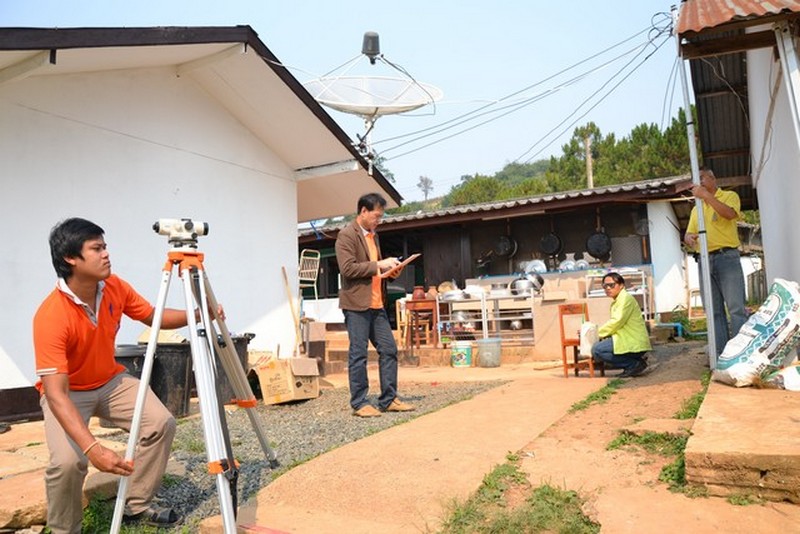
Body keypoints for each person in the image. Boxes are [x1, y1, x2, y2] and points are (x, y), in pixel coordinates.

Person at [33, 218, 219, 532]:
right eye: (96, 249)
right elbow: (55, 394)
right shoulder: (51, 315)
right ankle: (65, 529)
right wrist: (93, 449)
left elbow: (152, 315)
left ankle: (137, 504)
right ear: (71, 258)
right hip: (69, 393)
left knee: (160, 423)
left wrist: (199, 314)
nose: (106, 254)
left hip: (110, 381)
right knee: (67, 462)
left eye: (105, 246)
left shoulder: (114, 287)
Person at [335, 193, 416, 417]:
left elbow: (375, 270)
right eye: (376, 216)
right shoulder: (346, 235)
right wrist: (379, 264)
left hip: (377, 303)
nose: (378, 221)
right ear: (363, 211)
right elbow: (347, 269)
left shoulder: (374, 236)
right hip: (356, 305)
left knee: (389, 349)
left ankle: (388, 399)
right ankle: (359, 403)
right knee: (358, 353)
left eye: (381, 217)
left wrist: (391, 271)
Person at [683, 168, 747, 356]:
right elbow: (688, 233)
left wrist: (706, 196)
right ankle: (721, 353)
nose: (699, 182)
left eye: (702, 178)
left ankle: (740, 353)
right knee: (713, 310)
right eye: (696, 180)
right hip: (704, 259)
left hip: (726, 257)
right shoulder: (696, 209)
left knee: (736, 307)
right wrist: (689, 238)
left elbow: (729, 214)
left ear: (713, 179)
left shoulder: (729, 196)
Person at [591, 272, 652, 378]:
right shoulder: (619, 299)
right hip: (627, 339)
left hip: (633, 341)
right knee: (599, 348)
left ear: (621, 285)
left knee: (597, 350)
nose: (608, 288)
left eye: (611, 285)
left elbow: (616, 321)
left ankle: (633, 364)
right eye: (605, 286)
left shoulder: (624, 299)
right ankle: (636, 362)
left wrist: (596, 333)